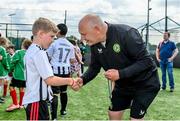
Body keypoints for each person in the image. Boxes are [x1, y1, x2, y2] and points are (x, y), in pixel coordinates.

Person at [72, 14, 160, 120]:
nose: (82, 39)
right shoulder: (94, 44)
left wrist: (120, 74)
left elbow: (146, 61)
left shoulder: (127, 33)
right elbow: (94, 67)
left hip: (145, 83)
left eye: (84, 34)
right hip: (123, 85)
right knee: (113, 114)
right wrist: (83, 79)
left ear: (97, 29)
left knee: (135, 117)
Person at [22, 17, 77, 120]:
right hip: (36, 101)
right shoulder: (39, 52)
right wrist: (70, 80)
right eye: (51, 36)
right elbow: (49, 79)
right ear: (41, 34)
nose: (53, 40)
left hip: (37, 101)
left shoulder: (32, 50)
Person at [47, 23, 75, 119]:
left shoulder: (54, 43)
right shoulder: (71, 45)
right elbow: (72, 60)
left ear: (58, 31)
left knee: (54, 94)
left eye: (56, 30)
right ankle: (63, 110)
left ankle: (54, 117)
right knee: (64, 92)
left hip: (55, 71)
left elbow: (48, 56)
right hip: (66, 71)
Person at [6, 39, 32, 112]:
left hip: (18, 75)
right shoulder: (30, 53)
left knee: (11, 87)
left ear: (23, 45)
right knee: (22, 88)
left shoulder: (19, 52)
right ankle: (21, 104)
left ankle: (15, 104)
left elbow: (13, 62)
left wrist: (10, 71)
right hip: (25, 76)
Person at [0, 37, 9, 103]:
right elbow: (4, 61)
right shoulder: (2, 49)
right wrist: (8, 67)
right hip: (1, 70)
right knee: (0, 85)